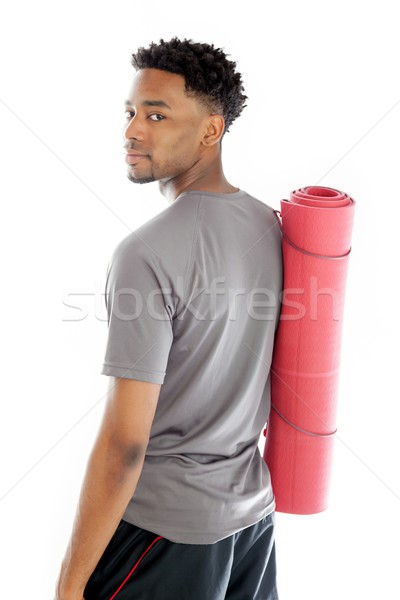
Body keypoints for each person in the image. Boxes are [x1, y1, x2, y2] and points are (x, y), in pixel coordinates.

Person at [55, 37, 283, 600]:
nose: (133, 130)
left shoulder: (145, 253)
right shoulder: (274, 227)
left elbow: (125, 445)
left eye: (156, 115)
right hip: (252, 526)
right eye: (131, 113)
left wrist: (68, 584)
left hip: (164, 535)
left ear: (211, 129)